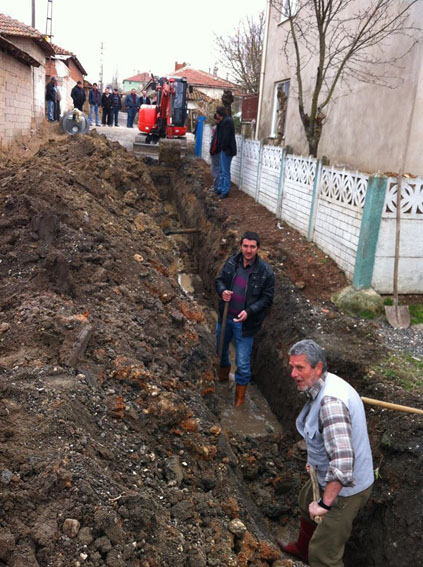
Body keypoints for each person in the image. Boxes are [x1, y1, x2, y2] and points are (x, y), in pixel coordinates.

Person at [278, 339, 374, 566]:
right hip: (326, 473)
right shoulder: (322, 383)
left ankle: (315, 556)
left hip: (346, 490)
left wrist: (325, 503)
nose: (293, 374)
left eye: (299, 368)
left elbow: (342, 464)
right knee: (306, 501)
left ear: (318, 367)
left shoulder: (331, 403)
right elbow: (325, 437)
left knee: (324, 555)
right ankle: (302, 550)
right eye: (292, 366)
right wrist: (316, 460)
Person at [215, 232, 274, 407]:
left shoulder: (265, 272)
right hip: (225, 318)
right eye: (245, 246)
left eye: (252, 247)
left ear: (258, 248)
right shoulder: (232, 262)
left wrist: (249, 311)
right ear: (241, 246)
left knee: (242, 362)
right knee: (221, 351)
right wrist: (222, 291)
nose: (248, 250)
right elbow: (219, 280)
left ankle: (239, 402)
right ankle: (222, 381)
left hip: (245, 325)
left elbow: (267, 298)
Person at [215, 106, 237, 200]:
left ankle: (225, 191)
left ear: (220, 114)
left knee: (225, 172)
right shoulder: (223, 122)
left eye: (217, 114)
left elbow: (226, 137)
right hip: (224, 149)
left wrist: (222, 147)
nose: (216, 116)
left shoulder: (227, 122)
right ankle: (220, 188)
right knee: (221, 170)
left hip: (227, 150)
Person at [210, 114, 221, 193]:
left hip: (216, 151)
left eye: (216, 119)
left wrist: (212, 151)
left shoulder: (216, 129)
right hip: (219, 151)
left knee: (215, 169)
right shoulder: (221, 128)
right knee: (218, 169)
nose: (215, 121)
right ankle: (217, 187)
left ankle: (216, 188)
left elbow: (214, 142)